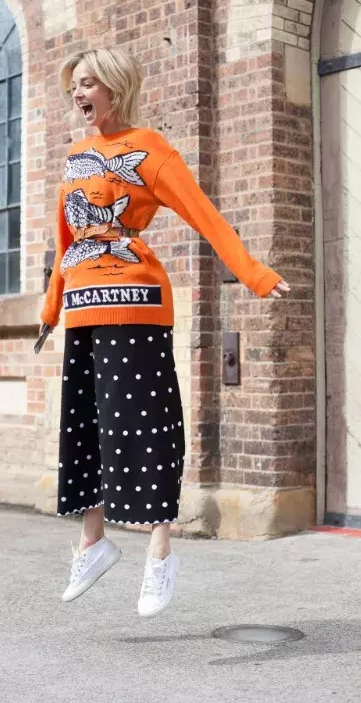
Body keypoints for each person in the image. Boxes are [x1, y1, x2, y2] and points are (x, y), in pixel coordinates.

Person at [39, 47, 290, 618]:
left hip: (135, 301)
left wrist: (253, 273)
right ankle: (92, 543)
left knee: (145, 424)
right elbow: (65, 238)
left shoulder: (150, 148)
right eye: (75, 85)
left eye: (88, 83)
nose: (78, 93)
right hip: (81, 304)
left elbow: (204, 214)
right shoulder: (75, 156)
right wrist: (52, 307)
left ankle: (160, 552)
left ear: (115, 86)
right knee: (85, 426)